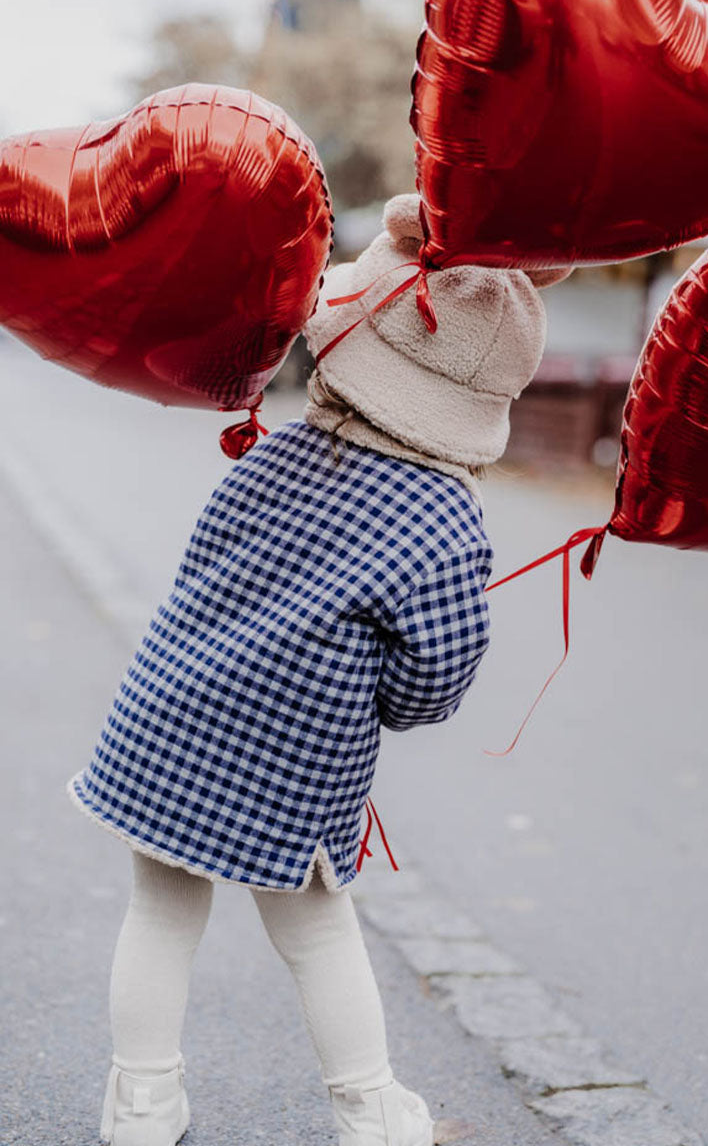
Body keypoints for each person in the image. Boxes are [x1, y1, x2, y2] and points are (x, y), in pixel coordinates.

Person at [67, 193, 569, 1146]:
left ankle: (140, 1103)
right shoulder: (443, 522)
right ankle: (370, 1108)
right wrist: (379, 694)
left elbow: (201, 570)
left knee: (160, 912)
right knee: (317, 932)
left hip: (166, 717)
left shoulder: (275, 454)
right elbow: (436, 680)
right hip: (295, 761)